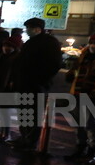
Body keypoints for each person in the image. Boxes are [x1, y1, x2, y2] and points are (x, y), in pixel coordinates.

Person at [10, 17, 62, 150]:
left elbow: (54, 64)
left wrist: (40, 80)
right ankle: (24, 137)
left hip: (35, 85)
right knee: (24, 112)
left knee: (33, 114)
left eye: (29, 28)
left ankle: (30, 141)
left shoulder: (49, 43)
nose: (27, 31)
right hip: (24, 84)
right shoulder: (31, 42)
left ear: (37, 29)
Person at [64, 33, 95, 163]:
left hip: (93, 96)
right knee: (79, 123)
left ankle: (92, 150)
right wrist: (70, 76)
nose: (93, 45)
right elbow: (76, 70)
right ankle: (81, 147)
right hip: (78, 93)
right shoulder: (84, 55)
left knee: (91, 125)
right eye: (92, 42)